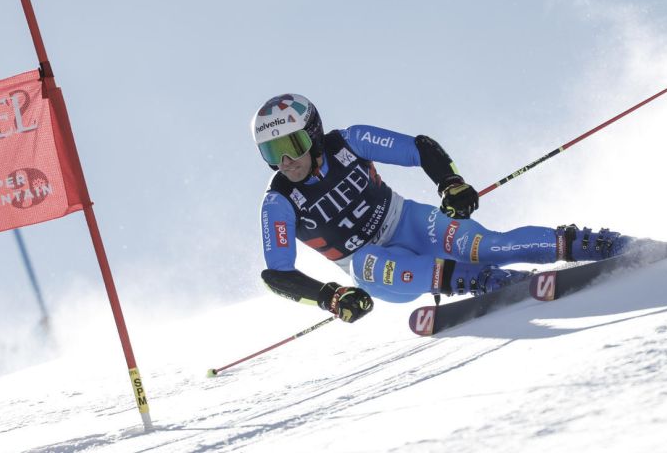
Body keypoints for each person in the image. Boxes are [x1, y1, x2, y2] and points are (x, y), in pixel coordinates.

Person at [254, 93, 632, 324]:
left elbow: (419, 147)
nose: (285, 160)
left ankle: (591, 244)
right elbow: (277, 274)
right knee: (373, 263)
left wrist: (451, 184)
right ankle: (484, 281)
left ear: (314, 133)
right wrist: (331, 297)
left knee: (486, 245)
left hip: (408, 223)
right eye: (272, 152)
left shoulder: (349, 142)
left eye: (293, 144)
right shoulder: (278, 202)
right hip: (371, 265)